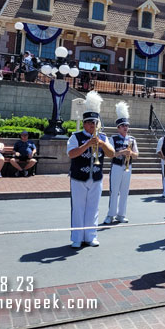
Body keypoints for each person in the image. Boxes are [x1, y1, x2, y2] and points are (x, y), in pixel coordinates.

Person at [66, 91, 114, 248]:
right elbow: (72, 154)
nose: (92, 125)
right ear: (85, 123)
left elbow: (112, 154)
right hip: (79, 177)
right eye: (89, 123)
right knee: (78, 208)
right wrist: (87, 144)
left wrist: (102, 143)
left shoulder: (103, 137)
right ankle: (77, 237)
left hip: (96, 177)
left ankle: (91, 236)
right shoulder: (76, 136)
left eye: (94, 122)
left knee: (93, 207)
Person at [103, 101, 138, 225]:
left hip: (128, 167)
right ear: (118, 127)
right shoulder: (113, 138)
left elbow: (136, 154)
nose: (125, 127)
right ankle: (110, 214)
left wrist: (131, 153)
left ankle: (121, 214)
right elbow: (111, 154)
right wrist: (122, 152)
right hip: (117, 166)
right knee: (114, 191)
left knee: (124, 191)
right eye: (123, 125)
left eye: (127, 125)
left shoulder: (132, 139)